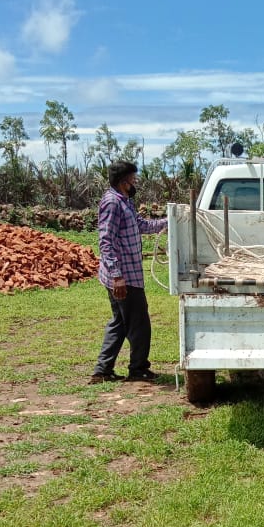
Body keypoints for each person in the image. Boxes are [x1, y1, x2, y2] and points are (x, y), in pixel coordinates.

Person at [89, 160, 167, 384]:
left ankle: (102, 371)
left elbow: (141, 225)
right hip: (123, 277)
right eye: (133, 179)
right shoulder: (112, 203)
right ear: (124, 182)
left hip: (126, 275)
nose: (135, 183)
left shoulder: (125, 202)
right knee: (139, 323)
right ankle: (138, 369)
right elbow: (106, 241)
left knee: (120, 323)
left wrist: (167, 221)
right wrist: (117, 276)